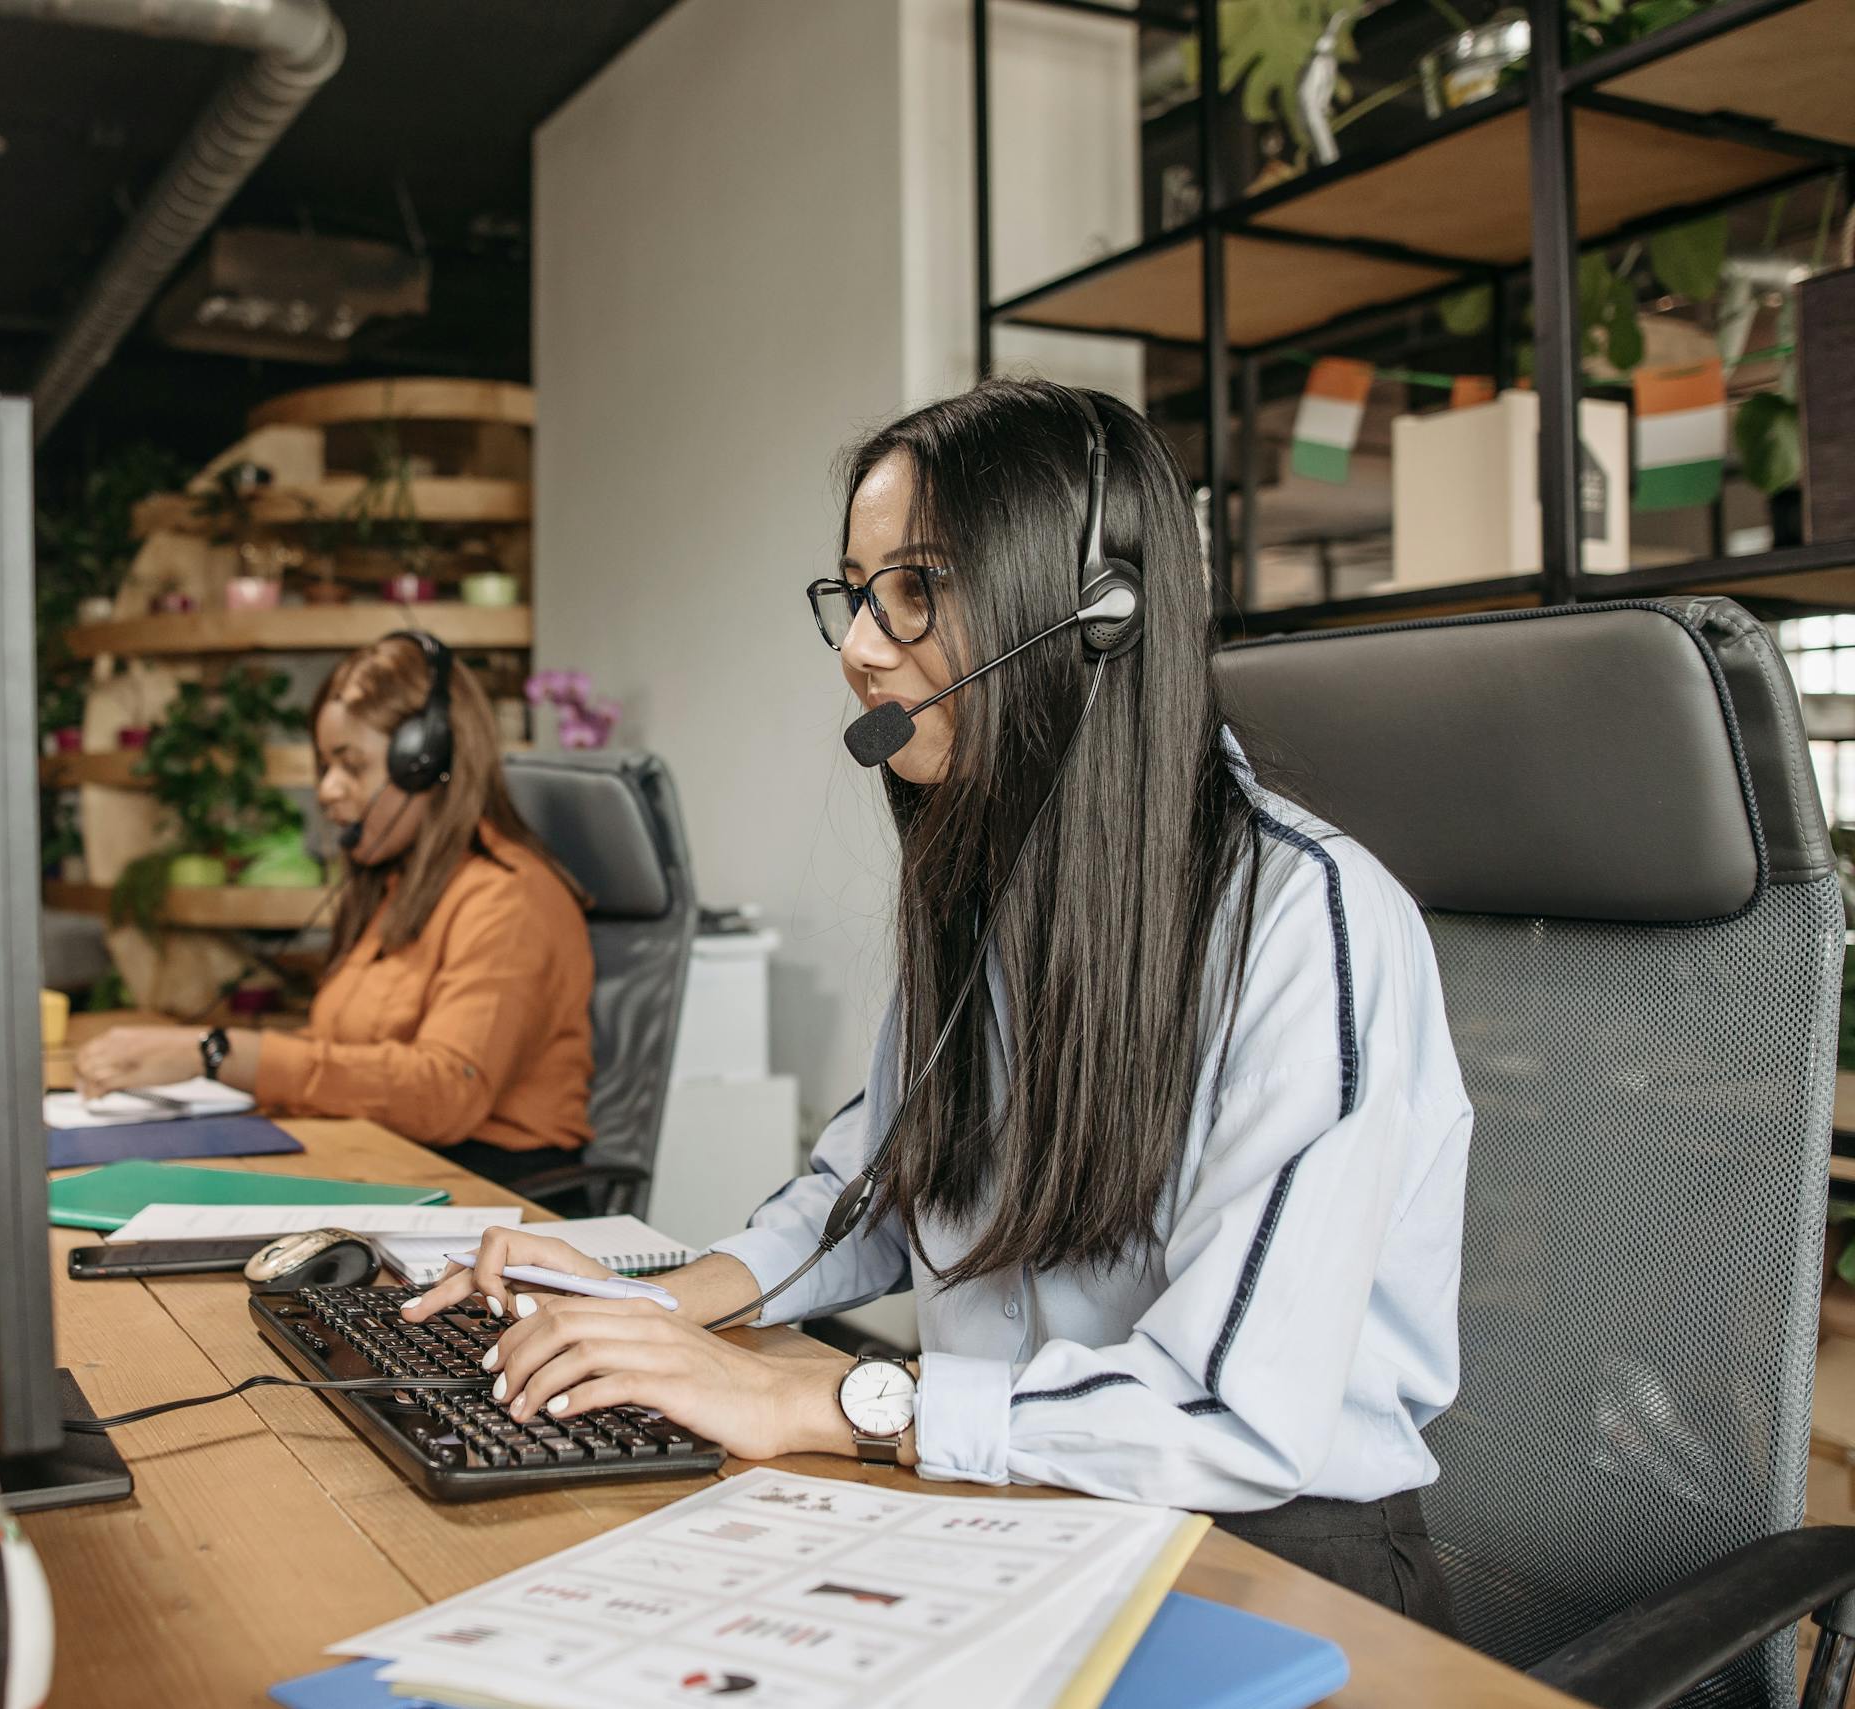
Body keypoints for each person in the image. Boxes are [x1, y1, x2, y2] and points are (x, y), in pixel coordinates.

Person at [404, 379, 1471, 1627]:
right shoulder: (988, 883)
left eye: (910, 592)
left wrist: (827, 1400)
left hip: (1266, 1568)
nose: (859, 645)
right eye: (853, 596)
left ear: (1095, 615)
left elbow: (1236, 1410)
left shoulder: (1309, 923)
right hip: (1018, 1509)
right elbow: (879, 1183)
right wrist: (663, 1295)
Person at [73, 633, 597, 1188]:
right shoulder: (398, 890)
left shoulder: (510, 899)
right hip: (383, 1162)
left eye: (350, 765)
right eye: (324, 765)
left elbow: (446, 1093)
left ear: (425, 763)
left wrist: (216, 1052)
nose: (327, 790)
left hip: (487, 1193)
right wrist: (209, 1056)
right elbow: (347, 1057)